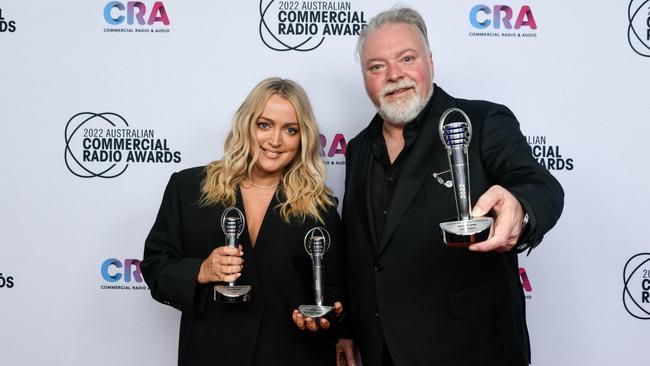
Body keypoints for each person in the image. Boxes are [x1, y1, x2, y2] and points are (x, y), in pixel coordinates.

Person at [338, 6, 564, 366]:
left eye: (407, 58)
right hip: (382, 351)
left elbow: (540, 185)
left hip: (471, 349)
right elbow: (360, 250)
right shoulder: (358, 149)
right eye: (377, 66)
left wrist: (520, 207)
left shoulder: (484, 120)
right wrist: (348, 327)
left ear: (430, 61)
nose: (394, 75)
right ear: (365, 77)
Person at [141, 77, 347, 366]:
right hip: (212, 354)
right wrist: (201, 270)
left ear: (303, 138)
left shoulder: (320, 207)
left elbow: (336, 289)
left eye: (290, 130)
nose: (275, 141)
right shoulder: (188, 188)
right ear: (246, 125)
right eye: (264, 125)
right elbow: (155, 268)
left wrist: (324, 319)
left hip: (293, 355)